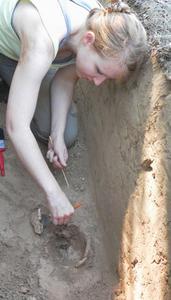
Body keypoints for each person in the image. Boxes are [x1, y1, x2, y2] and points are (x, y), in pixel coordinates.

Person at [0, 0, 147, 225]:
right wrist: (53, 192)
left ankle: (20, 83)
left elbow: (66, 78)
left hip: (26, 55)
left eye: (105, 78)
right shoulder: (43, 40)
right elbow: (16, 127)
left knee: (66, 134)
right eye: (99, 71)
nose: (97, 83)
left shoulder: (97, 24)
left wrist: (56, 136)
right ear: (88, 40)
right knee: (21, 114)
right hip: (9, 49)